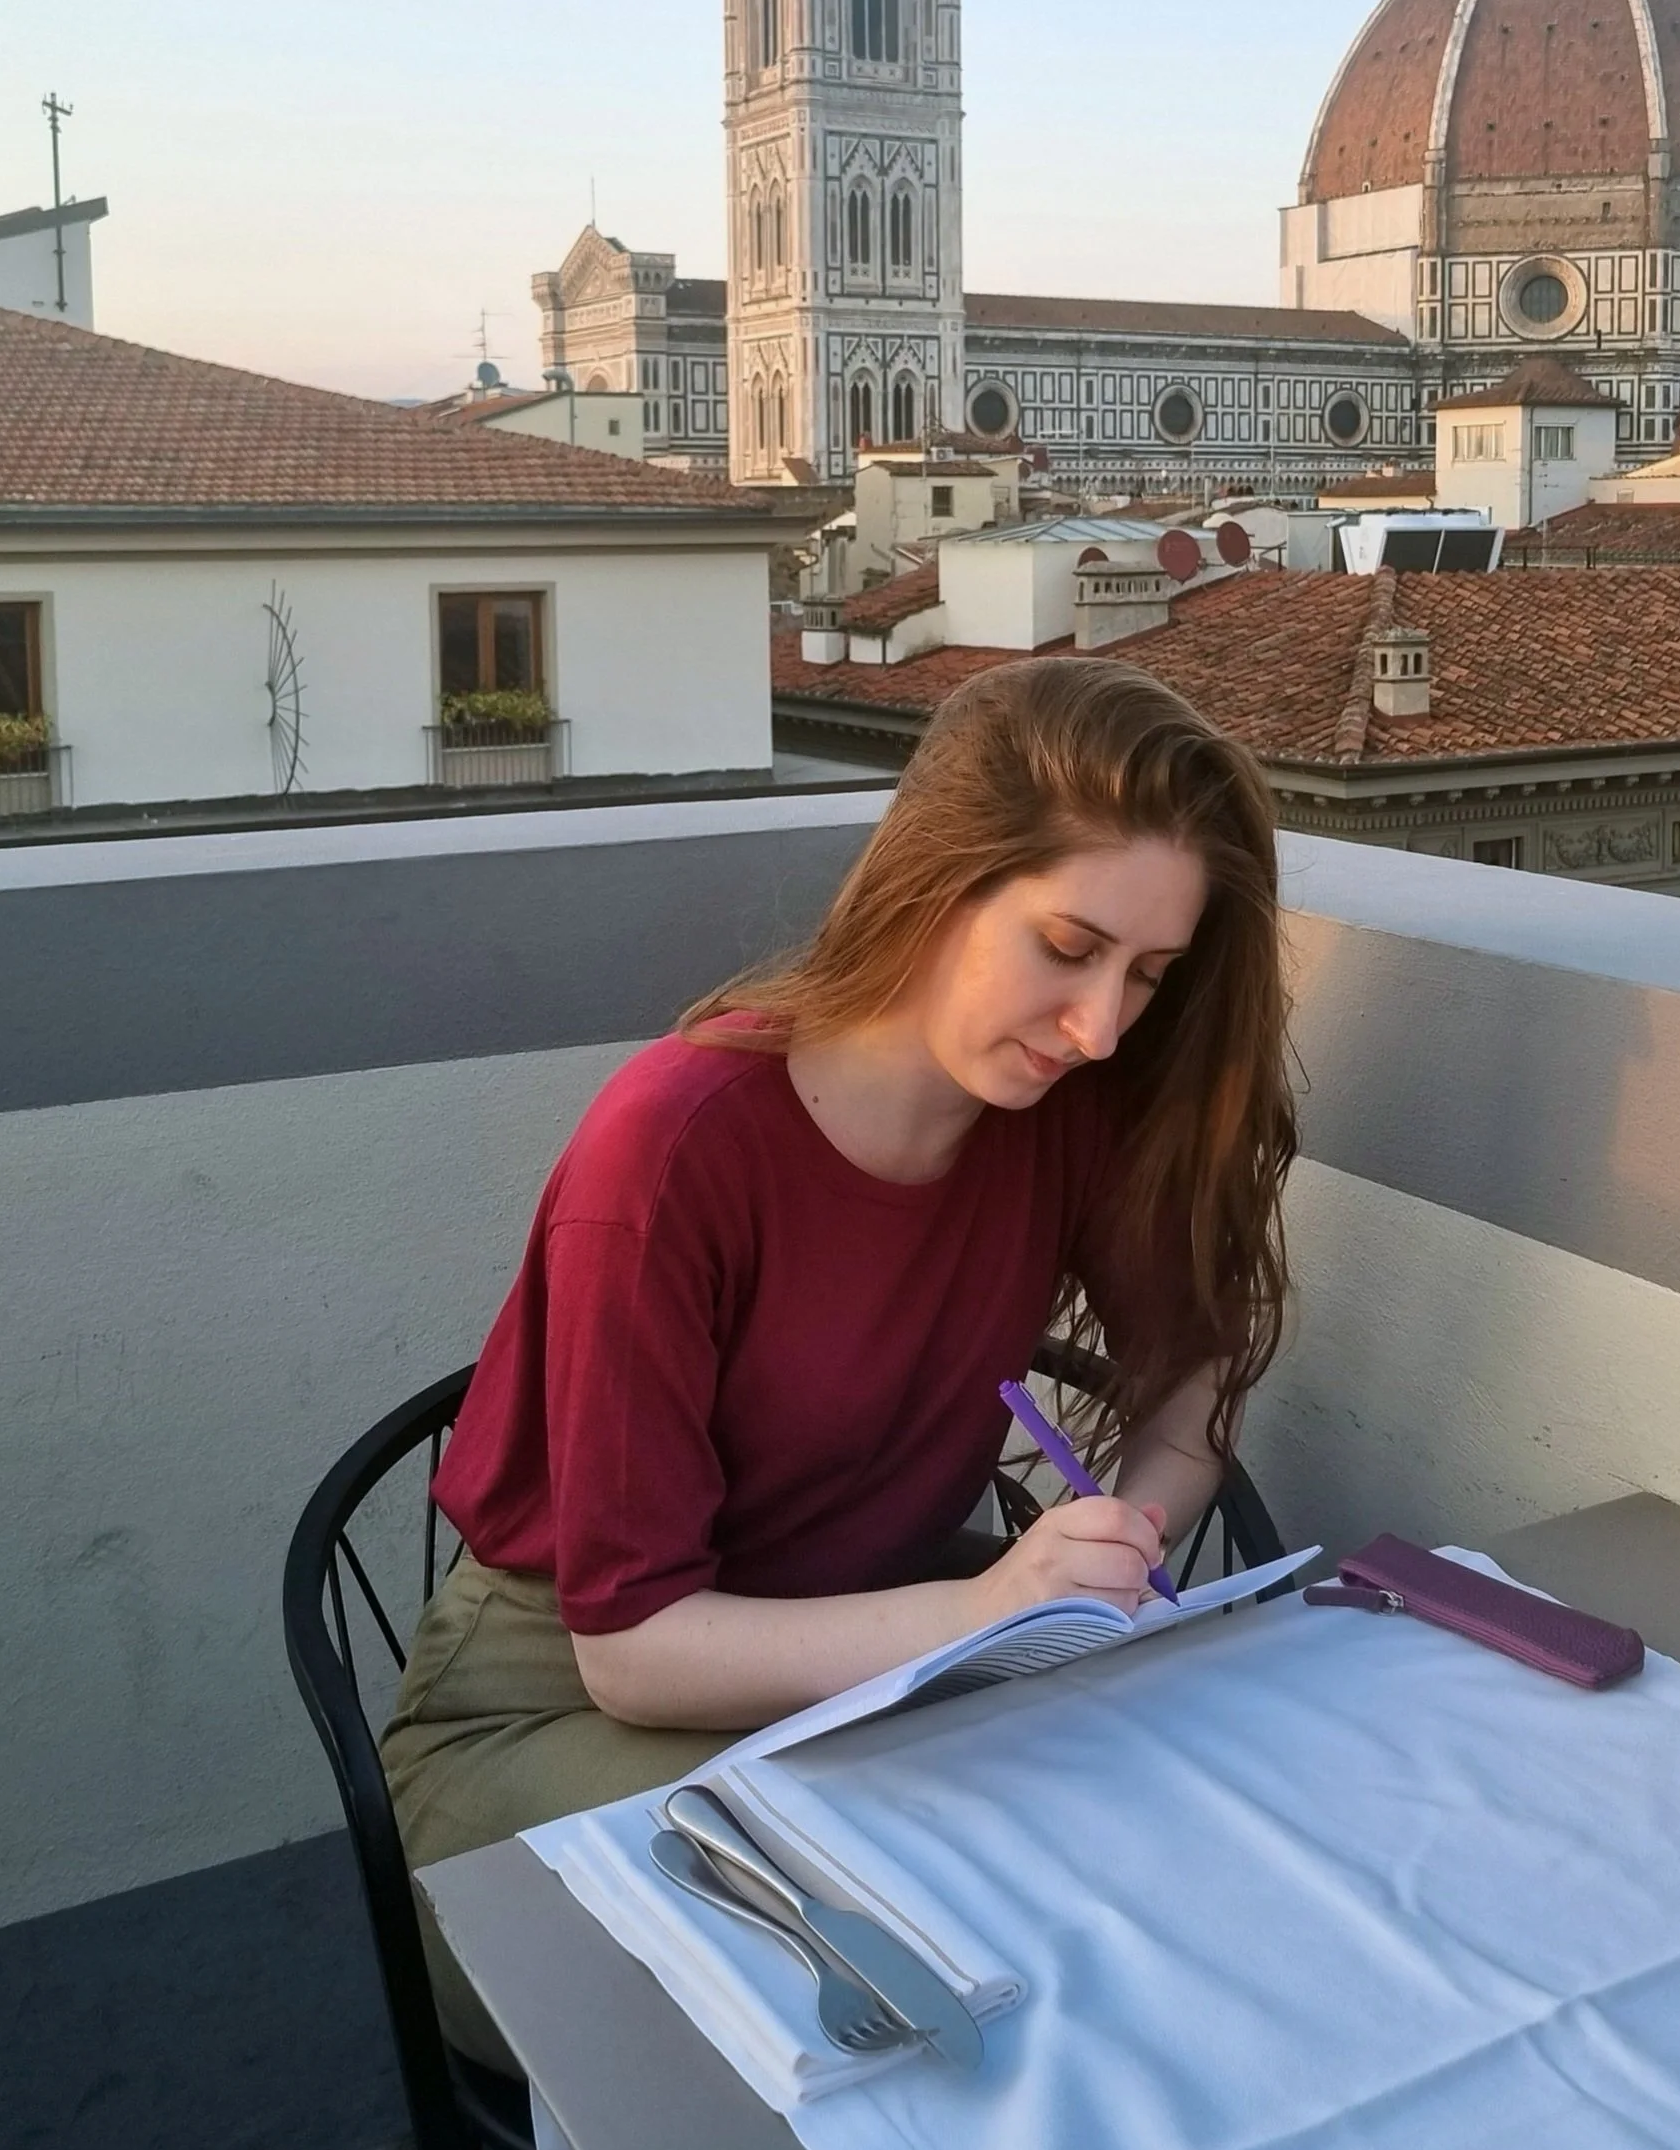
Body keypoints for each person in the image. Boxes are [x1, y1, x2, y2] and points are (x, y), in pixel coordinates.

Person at [381, 651, 1295, 2063]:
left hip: (871, 1673)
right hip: (548, 1730)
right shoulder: (676, 1148)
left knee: (1134, 1872)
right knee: (946, 1957)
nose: (1102, 1026)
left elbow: (1191, 1361)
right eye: (1067, 947)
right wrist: (997, 1609)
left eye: (1149, 977)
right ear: (936, 880)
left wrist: (1121, 1540)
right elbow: (628, 1653)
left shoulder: (1055, 1108)